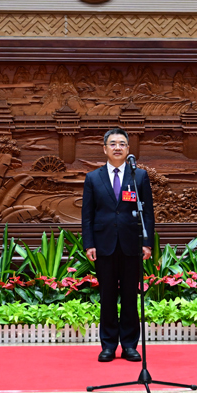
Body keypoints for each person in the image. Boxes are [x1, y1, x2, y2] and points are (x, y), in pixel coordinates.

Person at [82, 128, 155, 362]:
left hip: (131, 245)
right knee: (108, 296)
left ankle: (130, 345)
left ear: (128, 150)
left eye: (122, 144)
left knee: (130, 298)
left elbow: (148, 214)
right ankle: (109, 346)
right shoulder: (93, 178)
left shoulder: (139, 176)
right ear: (104, 148)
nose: (117, 147)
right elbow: (87, 215)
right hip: (104, 245)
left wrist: (147, 243)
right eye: (112, 144)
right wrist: (89, 243)